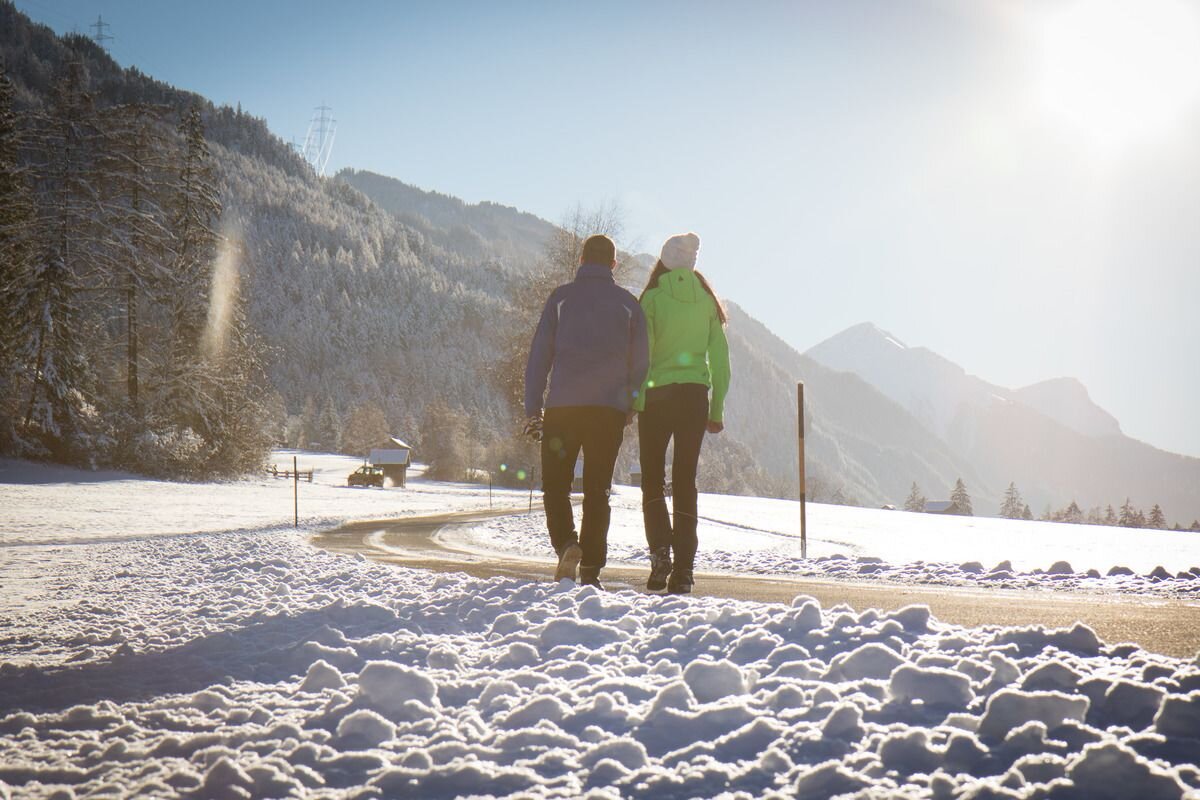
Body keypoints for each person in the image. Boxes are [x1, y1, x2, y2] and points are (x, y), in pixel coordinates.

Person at [524, 234, 649, 588]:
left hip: (563, 407)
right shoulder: (628, 304)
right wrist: (630, 405)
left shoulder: (560, 299)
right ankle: (591, 569)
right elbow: (641, 363)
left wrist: (533, 408)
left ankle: (567, 544)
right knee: (597, 490)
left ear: (581, 260)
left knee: (555, 486)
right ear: (613, 264)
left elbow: (539, 356)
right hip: (607, 412)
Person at [634, 232, 730, 594]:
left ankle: (661, 556)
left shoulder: (652, 299)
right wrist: (716, 409)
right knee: (685, 480)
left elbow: (642, 356)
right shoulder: (707, 301)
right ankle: (685, 570)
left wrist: (636, 401)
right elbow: (720, 362)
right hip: (694, 397)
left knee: (652, 479)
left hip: (657, 396)